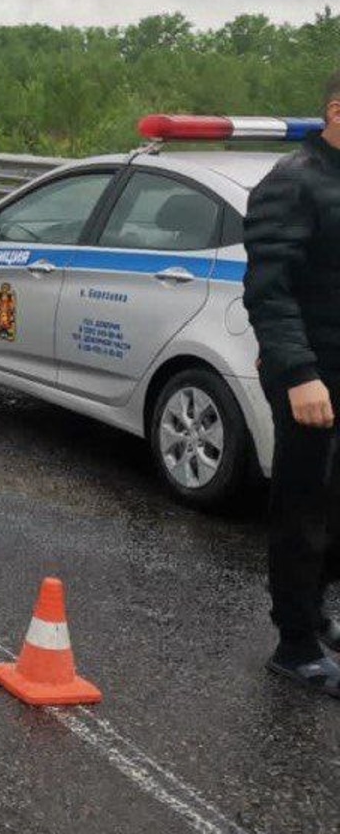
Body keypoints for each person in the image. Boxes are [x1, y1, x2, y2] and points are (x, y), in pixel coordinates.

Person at [243, 66, 340, 697]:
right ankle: (295, 644)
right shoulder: (292, 183)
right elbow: (268, 291)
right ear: (337, 109)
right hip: (310, 373)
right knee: (304, 507)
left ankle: (317, 613)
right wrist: (301, 374)